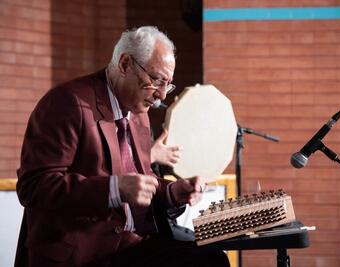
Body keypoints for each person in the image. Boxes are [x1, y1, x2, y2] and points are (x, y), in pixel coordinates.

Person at [15, 26, 230, 267]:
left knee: (212, 258)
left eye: (167, 84)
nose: (162, 95)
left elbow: (141, 180)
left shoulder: (139, 113)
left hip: (130, 245)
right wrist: (113, 190)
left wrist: (170, 193)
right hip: (84, 254)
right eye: (157, 80)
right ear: (125, 64)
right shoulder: (67, 103)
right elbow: (34, 187)